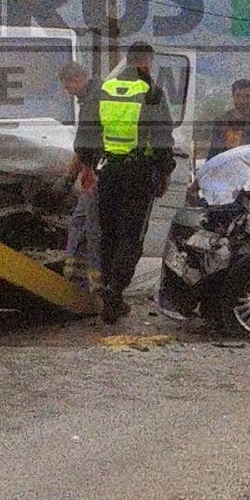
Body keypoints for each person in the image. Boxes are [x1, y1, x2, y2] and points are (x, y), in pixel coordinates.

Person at [73, 41, 175, 324]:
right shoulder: (151, 92)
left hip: (110, 173)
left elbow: (87, 131)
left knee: (109, 234)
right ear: (146, 62)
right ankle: (115, 291)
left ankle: (110, 294)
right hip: (139, 174)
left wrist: (88, 166)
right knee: (132, 236)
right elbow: (163, 136)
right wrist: (165, 171)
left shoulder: (104, 89)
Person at [57, 61, 102, 292]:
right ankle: (85, 281)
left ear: (75, 79)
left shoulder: (92, 100)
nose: (68, 92)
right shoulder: (95, 95)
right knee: (85, 224)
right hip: (98, 169)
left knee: (85, 224)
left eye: (68, 86)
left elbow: (85, 143)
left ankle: (82, 283)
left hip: (96, 172)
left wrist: (73, 176)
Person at [204, 78, 250, 161]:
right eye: (238, 96)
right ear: (233, 96)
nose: (242, 101)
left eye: (246, 96)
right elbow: (213, 153)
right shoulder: (221, 121)